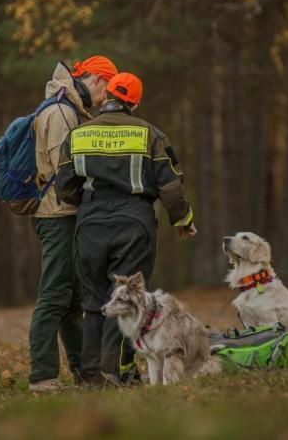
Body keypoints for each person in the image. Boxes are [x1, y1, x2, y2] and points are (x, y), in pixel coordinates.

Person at [55, 72, 197, 386]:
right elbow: (171, 187)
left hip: (90, 223)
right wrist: (183, 220)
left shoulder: (79, 134)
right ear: (134, 101)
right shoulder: (151, 134)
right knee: (129, 299)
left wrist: (91, 204)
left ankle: (90, 375)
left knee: (94, 301)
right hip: (135, 223)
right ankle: (116, 371)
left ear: (106, 97)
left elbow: (63, 187)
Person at [28, 55, 118, 393]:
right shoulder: (61, 113)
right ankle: (42, 377)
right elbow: (63, 173)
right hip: (56, 216)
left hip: (63, 215)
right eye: (106, 89)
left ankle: (85, 374)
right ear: (97, 80)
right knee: (53, 294)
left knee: (70, 299)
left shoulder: (69, 109)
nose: (106, 98)